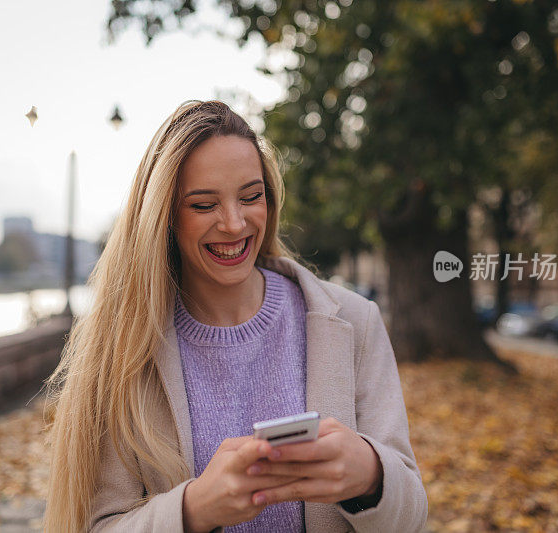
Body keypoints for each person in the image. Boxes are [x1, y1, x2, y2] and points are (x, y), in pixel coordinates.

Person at [43, 100, 428, 532]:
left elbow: (412, 516)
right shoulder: (122, 351)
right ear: (165, 218)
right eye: (204, 205)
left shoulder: (356, 322)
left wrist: (370, 475)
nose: (234, 223)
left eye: (251, 196)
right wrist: (192, 509)